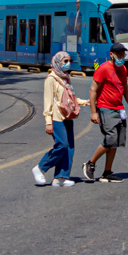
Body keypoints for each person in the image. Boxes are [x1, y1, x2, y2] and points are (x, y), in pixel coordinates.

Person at [82, 44, 128, 183]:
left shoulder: (123, 69)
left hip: (119, 109)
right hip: (105, 107)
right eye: (119, 54)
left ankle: (107, 173)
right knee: (111, 138)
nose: (121, 57)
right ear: (111, 54)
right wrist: (93, 113)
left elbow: (125, 90)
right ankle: (90, 163)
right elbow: (93, 90)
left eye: (123, 55)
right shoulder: (103, 69)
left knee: (117, 141)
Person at [34, 50, 90, 187]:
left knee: (69, 147)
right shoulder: (51, 79)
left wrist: (84, 102)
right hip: (56, 118)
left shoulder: (65, 78)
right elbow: (48, 102)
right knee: (62, 145)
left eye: (70, 61)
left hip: (67, 116)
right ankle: (40, 168)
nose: (68, 64)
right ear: (58, 62)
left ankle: (61, 177)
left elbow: (69, 99)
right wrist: (48, 122)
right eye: (65, 61)